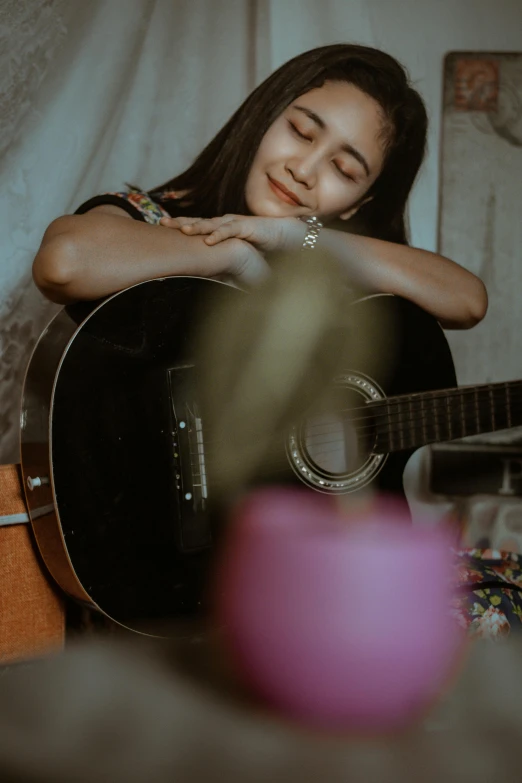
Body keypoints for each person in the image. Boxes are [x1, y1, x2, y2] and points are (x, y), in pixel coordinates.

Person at [32, 43, 488, 330]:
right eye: (301, 132)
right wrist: (230, 253)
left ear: (359, 203)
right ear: (263, 118)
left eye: (345, 170)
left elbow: (467, 302)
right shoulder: (148, 214)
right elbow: (63, 262)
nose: (303, 169)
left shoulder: (338, 268)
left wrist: (294, 237)